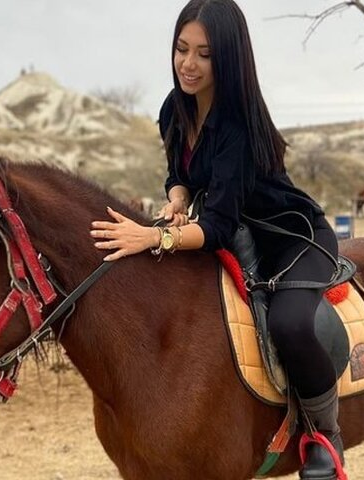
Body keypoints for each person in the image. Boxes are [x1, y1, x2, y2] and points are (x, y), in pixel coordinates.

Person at [90, 1, 343, 478]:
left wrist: (151, 237)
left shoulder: (238, 126)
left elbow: (219, 227)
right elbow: (177, 172)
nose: (188, 64)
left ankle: (324, 438)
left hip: (289, 240)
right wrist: (178, 196)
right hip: (238, 236)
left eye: (203, 54)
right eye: (182, 49)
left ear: (227, 58)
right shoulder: (174, 108)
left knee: (290, 323)